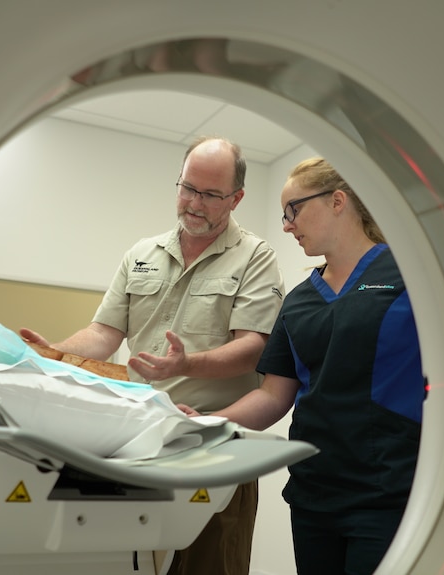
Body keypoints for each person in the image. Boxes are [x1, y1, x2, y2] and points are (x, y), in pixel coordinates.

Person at [20, 136, 285, 575]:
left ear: (236, 198)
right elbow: (104, 333)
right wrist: (52, 353)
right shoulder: (142, 254)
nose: (194, 203)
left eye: (210, 194)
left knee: (210, 565)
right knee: (133, 563)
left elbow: (254, 348)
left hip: (213, 445)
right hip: (140, 443)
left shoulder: (255, 257)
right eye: (187, 188)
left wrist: (188, 364)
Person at [180, 157, 425, 575]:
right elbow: (274, 396)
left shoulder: (412, 277)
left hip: (390, 492)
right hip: (314, 496)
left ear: (338, 201)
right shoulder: (298, 301)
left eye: (294, 209)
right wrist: (209, 423)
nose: (287, 225)